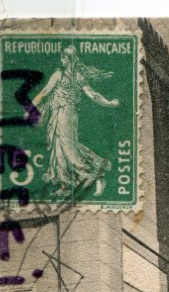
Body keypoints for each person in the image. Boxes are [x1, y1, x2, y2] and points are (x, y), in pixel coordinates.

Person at [34, 46, 119, 198]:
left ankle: (94, 174)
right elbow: (93, 95)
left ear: (69, 59)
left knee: (68, 148)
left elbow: (45, 92)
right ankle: (65, 185)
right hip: (57, 114)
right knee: (58, 148)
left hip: (65, 114)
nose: (61, 60)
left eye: (63, 57)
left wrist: (30, 107)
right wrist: (110, 103)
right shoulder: (72, 75)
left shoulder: (63, 75)